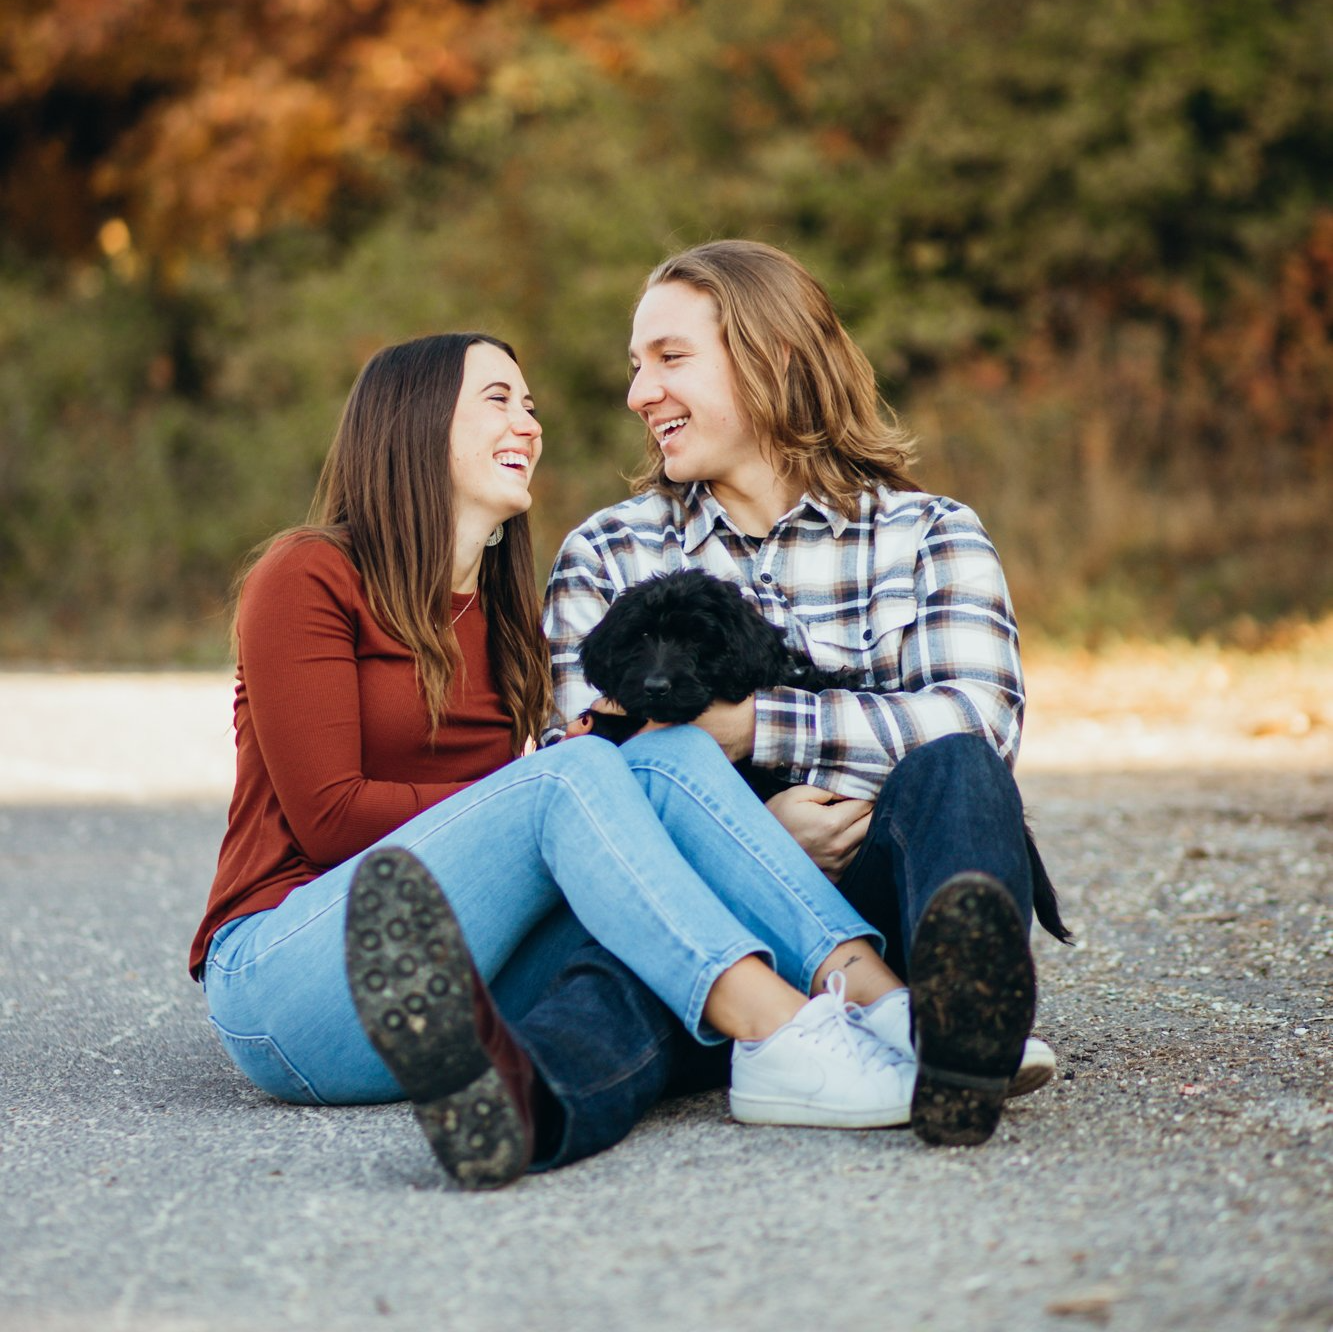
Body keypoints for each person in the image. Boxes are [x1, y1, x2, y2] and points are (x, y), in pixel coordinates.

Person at [190, 331, 925, 1192]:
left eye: (530, 405)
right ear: (414, 423)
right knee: (576, 776)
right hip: (290, 975)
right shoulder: (309, 573)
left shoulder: (503, 616)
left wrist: (599, 766)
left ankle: (891, 1010)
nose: (528, 422)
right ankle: (782, 1034)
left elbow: (521, 827)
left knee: (668, 751)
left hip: (455, 981)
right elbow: (329, 815)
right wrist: (554, 778)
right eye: (497, 399)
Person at [536, 239, 1063, 1150]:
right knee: (614, 977)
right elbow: (586, 777)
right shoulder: (608, 553)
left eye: (669, 358)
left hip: (894, 897)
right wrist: (750, 840)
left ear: (773, 357)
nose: (638, 394)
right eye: (635, 367)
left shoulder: (925, 532)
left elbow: (977, 714)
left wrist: (756, 728)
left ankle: (959, 1028)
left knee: (960, 772)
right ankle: (520, 1098)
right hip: (711, 916)